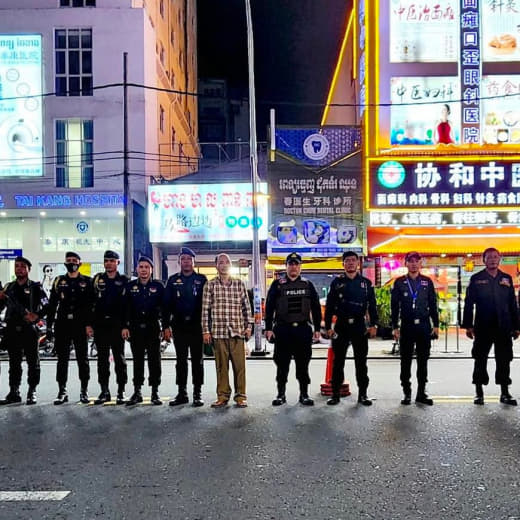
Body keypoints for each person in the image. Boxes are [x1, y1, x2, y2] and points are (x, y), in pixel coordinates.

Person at [462, 247, 519, 405]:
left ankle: (505, 393)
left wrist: (516, 326)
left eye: (496, 257)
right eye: (489, 257)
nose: (493, 259)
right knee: (480, 359)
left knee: (504, 359)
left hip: (503, 327)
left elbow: (512, 304)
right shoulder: (476, 278)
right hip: (483, 327)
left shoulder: (506, 278)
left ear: (499, 259)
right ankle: (479, 393)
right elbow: (468, 303)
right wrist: (468, 325)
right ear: (483, 260)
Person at [264, 252, 322, 406]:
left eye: (296, 264)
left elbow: (316, 308)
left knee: (303, 365)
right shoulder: (277, 284)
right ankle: (280, 394)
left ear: (300, 267)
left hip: (302, 331)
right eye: (291, 264)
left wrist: (317, 328)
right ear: (286, 266)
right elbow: (269, 308)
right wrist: (268, 328)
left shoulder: (307, 285)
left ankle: (304, 394)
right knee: (282, 365)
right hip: (283, 331)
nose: (293, 267)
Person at [324, 251, 378, 406]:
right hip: (341, 326)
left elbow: (372, 306)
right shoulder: (337, 283)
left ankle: (363, 395)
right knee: (338, 362)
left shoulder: (366, 284)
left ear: (358, 263)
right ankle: (335, 394)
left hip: (359, 326)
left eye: (353, 260)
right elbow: (329, 307)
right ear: (343, 264)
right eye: (347, 261)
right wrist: (328, 327)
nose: (350, 263)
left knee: (361, 362)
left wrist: (373, 325)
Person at [201, 253, 252, 408]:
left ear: (231, 265)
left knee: (240, 367)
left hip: (237, 332)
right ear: (216, 266)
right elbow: (205, 311)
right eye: (221, 262)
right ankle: (222, 396)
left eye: (227, 262)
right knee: (221, 368)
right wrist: (205, 331)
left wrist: (249, 327)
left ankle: (240, 396)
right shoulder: (210, 285)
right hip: (218, 332)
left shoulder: (239, 284)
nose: (224, 265)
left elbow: (247, 308)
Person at [391, 252, 439, 406]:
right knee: (405, 361)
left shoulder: (427, 282)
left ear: (420, 263)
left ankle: (421, 392)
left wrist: (436, 325)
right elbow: (394, 307)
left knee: (423, 361)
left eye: (416, 261)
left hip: (424, 326)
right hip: (407, 326)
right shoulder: (399, 282)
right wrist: (394, 327)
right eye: (410, 261)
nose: (413, 264)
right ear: (406, 263)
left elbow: (433, 305)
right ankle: (407, 392)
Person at [46, 251, 94, 405]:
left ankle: (84, 390)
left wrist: (89, 324)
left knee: (83, 359)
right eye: (68, 260)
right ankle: (62, 391)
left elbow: (91, 306)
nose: (71, 262)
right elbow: (52, 305)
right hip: (62, 325)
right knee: (62, 360)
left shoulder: (88, 282)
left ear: (80, 263)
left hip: (80, 325)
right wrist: (49, 326)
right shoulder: (58, 282)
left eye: (74, 260)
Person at [0, 256, 48, 405]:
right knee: (14, 363)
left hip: (29, 329)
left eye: (22, 266)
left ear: (28, 269)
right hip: (12, 329)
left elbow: (47, 305)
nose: (19, 269)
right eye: (16, 266)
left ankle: (32, 391)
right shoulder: (9, 287)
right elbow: (1, 307)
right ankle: (14, 391)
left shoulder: (35, 287)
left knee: (33, 362)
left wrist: (37, 316)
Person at [164, 247, 207, 407]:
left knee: (198, 361)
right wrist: (166, 326)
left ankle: (197, 393)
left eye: (189, 259)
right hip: (179, 327)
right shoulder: (173, 280)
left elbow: (207, 305)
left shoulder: (202, 280)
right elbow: (166, 305)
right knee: (181, 361)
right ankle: (182, 393)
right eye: (183, 259)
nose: (186, 262)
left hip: (197, 327)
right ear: (179, 261)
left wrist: (207, 327)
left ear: (193, 261)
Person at [122, 256, 166, 406]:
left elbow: (165, 309)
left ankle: (155, 392)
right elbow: (125, 308)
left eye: (147, 267)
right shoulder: (130, 286)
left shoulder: (159, 287)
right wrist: (125, 326)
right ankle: (137, 391)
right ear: (137, 269)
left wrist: (165, 327)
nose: (144, 270)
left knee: (155, 361)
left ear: (151, 270)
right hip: (135, 329)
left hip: (153, 328)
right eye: (141, 267)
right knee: (137, 361)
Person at [91, 250, 129, 405]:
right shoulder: (97, 280)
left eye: (112, 261)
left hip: (117, 326)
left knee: (119, 359)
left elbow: (128, 305)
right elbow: (91, 303)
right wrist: (90, 325)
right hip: (101, 326)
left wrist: (126, 326)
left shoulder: (124, 280)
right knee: (102, 360)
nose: (109, 263)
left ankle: (121, 391)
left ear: (117, 263)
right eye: (106, 261)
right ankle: (104, 391)